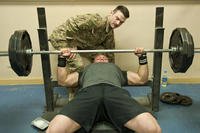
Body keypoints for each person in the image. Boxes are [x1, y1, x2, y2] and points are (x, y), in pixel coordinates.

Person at [46, 48, 162, 133]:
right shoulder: (85, 71)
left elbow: (142, 79)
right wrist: (62, 59)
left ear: (109, 61)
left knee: (153, 129)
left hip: (115, 93)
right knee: (54, 130)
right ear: (93, 62)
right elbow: (63, 81)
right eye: (98, 57)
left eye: (105, 57)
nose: (101, 58)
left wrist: (142, 58)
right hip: (89, 94)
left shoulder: (117, 70)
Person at [49, 5, 130, 100]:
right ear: (111, 13)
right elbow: (71, 23)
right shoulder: (95, 20)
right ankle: (74, 95)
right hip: (62, 38)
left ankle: (96, 84)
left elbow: (110, 52)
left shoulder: (109, 33)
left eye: (121, 22)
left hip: (82, 44)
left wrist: (111, 73)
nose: (117, 23)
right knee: (77, 64)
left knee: (102, 54)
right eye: (117, 18)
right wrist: (71, 45)